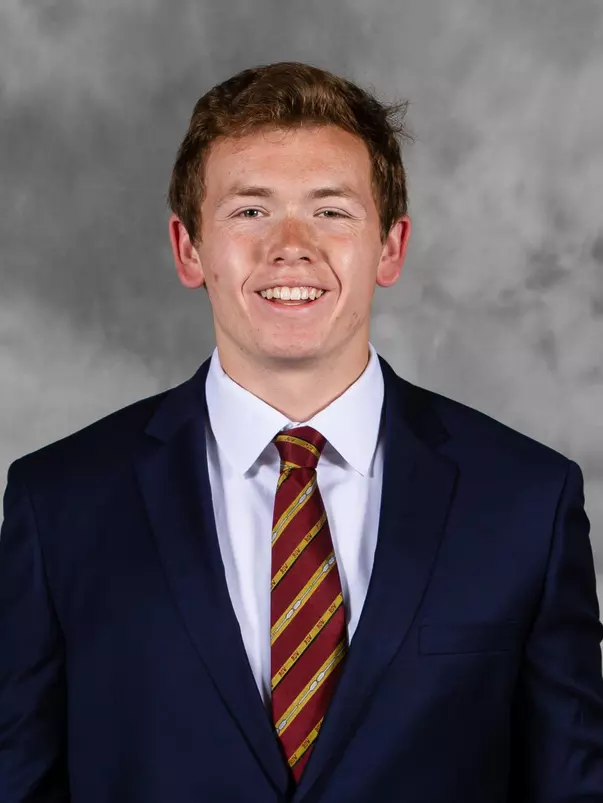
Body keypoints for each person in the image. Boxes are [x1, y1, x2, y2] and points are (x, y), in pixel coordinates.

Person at [1, 60, 602, 803]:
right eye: (249, 210)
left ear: (390, 247)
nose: (291, 244)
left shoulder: (525, 501)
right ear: (189, 249)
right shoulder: (58, 502)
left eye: (331, 209)